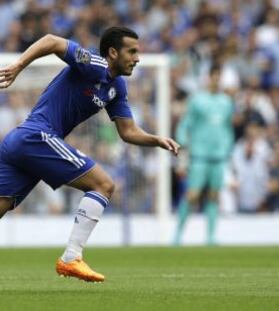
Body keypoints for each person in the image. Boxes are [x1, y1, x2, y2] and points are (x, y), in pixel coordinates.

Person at [0, 26, 180, 281]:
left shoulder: (116, 87)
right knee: (103, 185)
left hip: (25, 142)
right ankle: (71, 257)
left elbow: (128, 131)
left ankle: (71, 258)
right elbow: (52, 40)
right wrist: (18, 66)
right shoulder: (93, 64)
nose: (138, 58)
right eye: (132, 51)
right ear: (113, 52)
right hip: (36, 136)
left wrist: (156, 139)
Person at [173, 64, 234, 246]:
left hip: (219, 155)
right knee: (193, 194)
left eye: (219, 76)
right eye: (213, 76)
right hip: (199, 153)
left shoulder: (226, 102)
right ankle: (177, 236)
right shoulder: (198, 100)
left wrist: (227, 147)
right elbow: (186, 123)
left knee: (215, 195)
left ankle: (211, 238)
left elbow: (227, 127)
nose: (216, 79)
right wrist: (182, 142)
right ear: (208, 78)